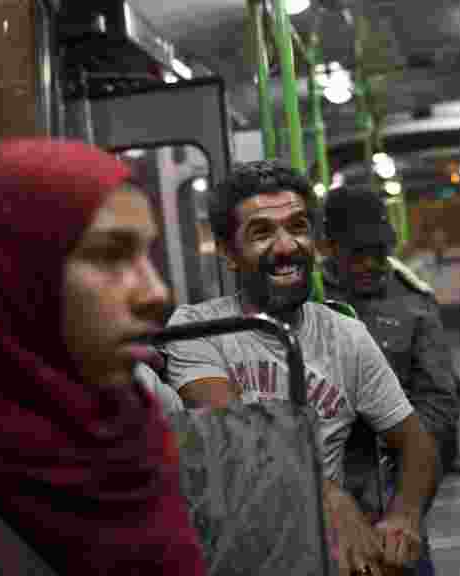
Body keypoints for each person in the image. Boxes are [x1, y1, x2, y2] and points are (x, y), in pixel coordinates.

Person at [0, 139, 205, 574]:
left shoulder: (127, 437)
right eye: (109, 255)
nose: (156, 293)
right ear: (6, 277)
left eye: (147, 254)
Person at [163, 160, 438, 576]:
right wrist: (327, 496)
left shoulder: (347, 337)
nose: (287, 245)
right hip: (241, 540)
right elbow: (245, 441)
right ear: (227, 252)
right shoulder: (197, 330)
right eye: (261, 233)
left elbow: (416, 444)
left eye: (298, 226)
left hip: (327, 543)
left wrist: (405, 516)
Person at [319, 186, 460, 573]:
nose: (370, 265)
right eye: (357, 255)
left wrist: (404, 470)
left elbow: (439, 399)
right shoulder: (305, 300)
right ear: (330, 249)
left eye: (378, 254)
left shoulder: (413, 302)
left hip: (393, 470)